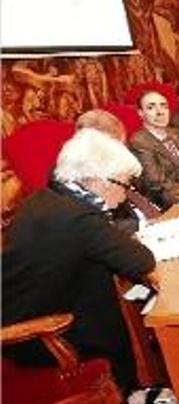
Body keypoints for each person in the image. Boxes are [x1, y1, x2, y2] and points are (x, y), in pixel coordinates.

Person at [2, 129, 157, 390]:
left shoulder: (49, 197)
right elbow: (142, 261)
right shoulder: (77, 218)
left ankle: (138, 381)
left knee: (107, 286)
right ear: (99, 181)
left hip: (35, 307)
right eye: (125, 184)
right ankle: (131, 391)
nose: (126, 194)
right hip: (35, 338)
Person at [130, 91, 179, 211]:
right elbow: (157, 183)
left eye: (164, 106)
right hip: (176, 199)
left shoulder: (175, 132)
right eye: (151, 107)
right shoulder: (140, 141)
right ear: (141, 113)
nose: (160, 112)